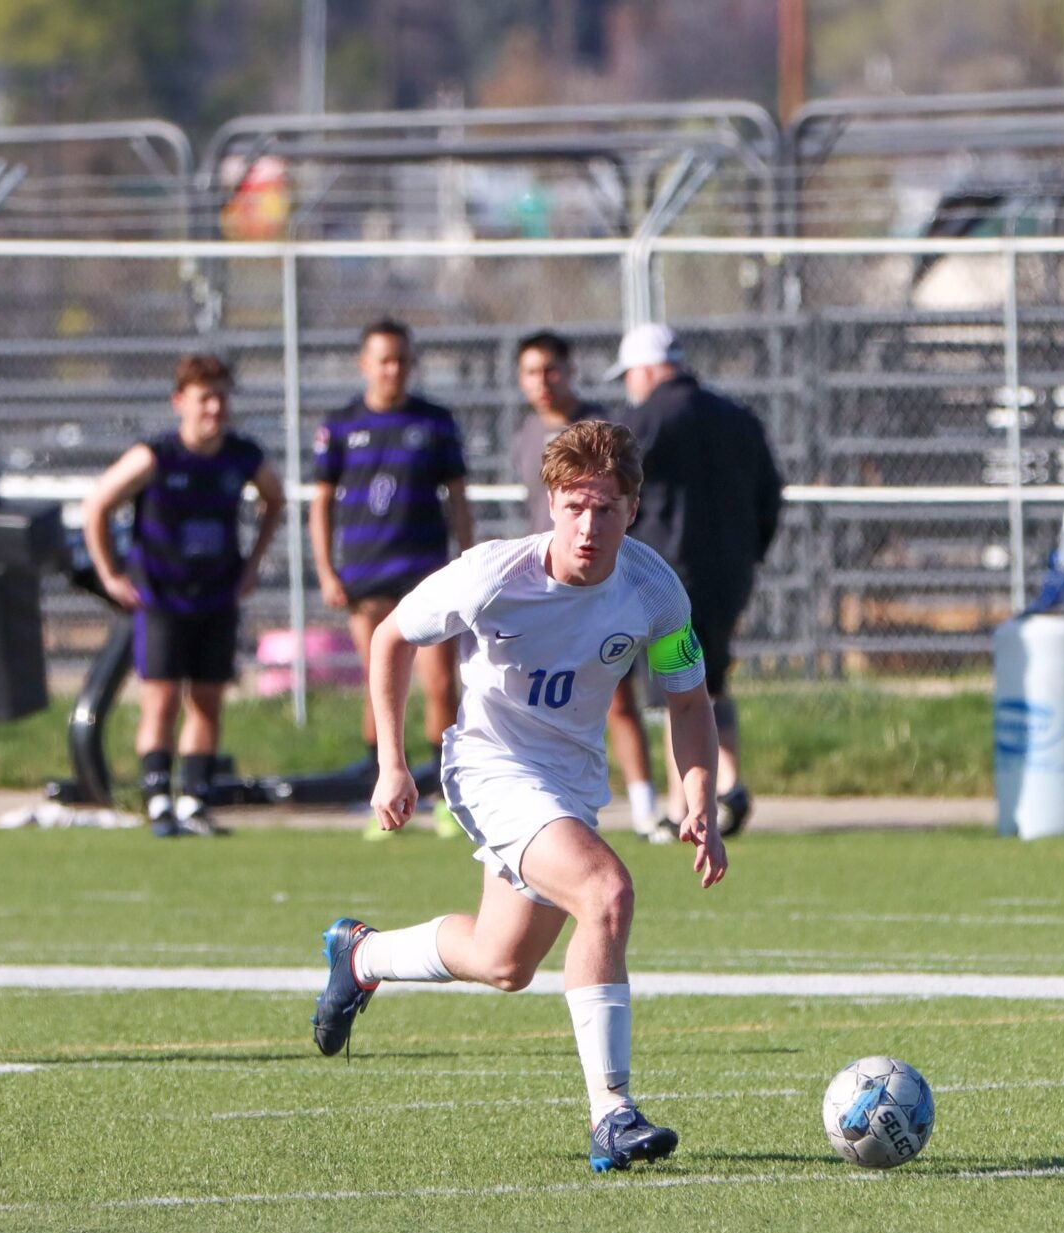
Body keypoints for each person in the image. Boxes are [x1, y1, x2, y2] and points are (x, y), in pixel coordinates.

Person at [309, 419, 727, 1173]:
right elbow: (390, 640)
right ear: (550, 504)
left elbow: (690, 702)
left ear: (632, 508)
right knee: (606, 891)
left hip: (567, 783)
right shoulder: (493, 575)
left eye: (605, 507)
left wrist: (700, 791)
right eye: (573, 506)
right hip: (490, 767)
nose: (588, 525)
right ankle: (613, 1111)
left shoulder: (653, 591)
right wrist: (392, 764)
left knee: (504, 963)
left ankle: (361, 956)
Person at [82, 352, 284, 837]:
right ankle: (157, 799)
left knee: (208, 700)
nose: (214, 408)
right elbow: (98, 506)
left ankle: (195, 798)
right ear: (180, 402)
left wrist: (253, 563)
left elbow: (274, 500)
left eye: (221, 397)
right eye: (203, 398)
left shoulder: (242, 456)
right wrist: (111, 573)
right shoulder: (156, 456)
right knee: (162, 698)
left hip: (216, 596)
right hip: (161, 598)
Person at [613, 321, 784, 838]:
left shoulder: (648, 419)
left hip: (669, 578)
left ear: (645, 370)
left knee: (676, 685)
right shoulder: (737, 416)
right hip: (729, 574)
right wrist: (750, 552)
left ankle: (686, 803)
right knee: (712, 680)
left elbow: (616, 485)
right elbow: (770, 494)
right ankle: (728, 782)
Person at [308, 318, 474, 833]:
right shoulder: (340, 426)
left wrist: (468, 564)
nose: (393, 369)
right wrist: (326, 570)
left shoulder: (435, 422)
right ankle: (379, 796)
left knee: (441, 682)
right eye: (383, 359)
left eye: (401, 359)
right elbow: (321, 503)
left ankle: (449, 798)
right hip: (365, 574)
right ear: (364, 364)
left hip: (426, 575)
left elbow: (459, 499)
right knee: (379, 683)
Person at [513, 330, 667, 844]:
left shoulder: (600, 431)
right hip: (546, 591)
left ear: (569, 370)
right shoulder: (526, 434)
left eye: (551, 370)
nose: (543, 382)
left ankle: (645, 808)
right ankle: (540, 802)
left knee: (619, 697)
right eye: (532, 372)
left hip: (598, 587)